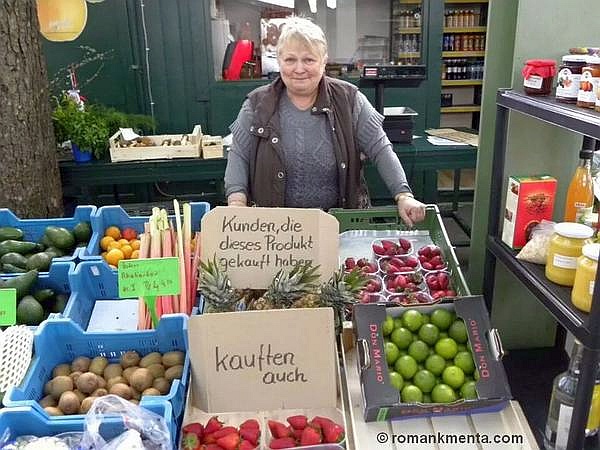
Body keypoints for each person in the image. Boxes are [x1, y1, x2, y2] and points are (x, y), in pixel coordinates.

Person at [224, 16, 426, 227]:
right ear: (279, 60)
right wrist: (237, 201)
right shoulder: (257, 104)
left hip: (340, 226)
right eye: (290, 60)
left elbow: (381, 149)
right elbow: (239, 155)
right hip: (276, 235)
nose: (299, 69)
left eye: (309, 60)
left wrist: (403, 194)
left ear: (324, 61)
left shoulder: (349, 99)